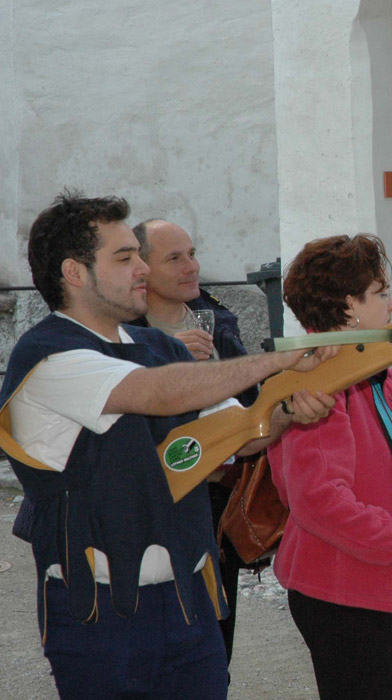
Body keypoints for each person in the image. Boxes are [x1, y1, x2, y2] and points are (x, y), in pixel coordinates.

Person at [0, 192, 335, 699]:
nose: (141, 268)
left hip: (188, 602)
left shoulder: (159, 348)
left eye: (138, 253)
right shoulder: (48, 354)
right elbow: (153, 392)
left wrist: (285, 412)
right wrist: (277, 362)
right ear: (74, 272)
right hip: (99, 610)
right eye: (124, 256)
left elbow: (237, 434)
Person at [269, 234, 392, 700]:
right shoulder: (318, 379)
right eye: (380, 293)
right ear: (346, 306)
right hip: (340, 587)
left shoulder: (371, 370)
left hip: (373, 575)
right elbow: (318, 501)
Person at [129, 218, 257, 663]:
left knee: (216, 639)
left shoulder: (216, 317)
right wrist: (166, 356)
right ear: (141, 267)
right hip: (157, 501)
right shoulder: (125, 333)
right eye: (175, 258)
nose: (191, 266)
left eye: (192, 253)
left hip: (217, 498)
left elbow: (248, 403)